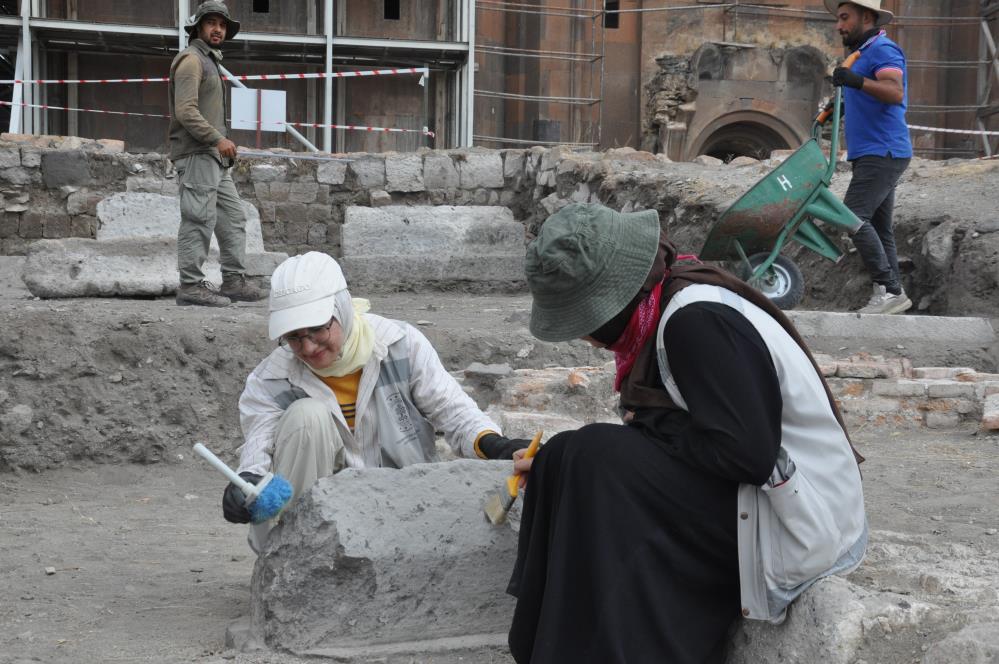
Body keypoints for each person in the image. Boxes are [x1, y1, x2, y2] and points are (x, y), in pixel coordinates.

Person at [507, 203, 867, 663]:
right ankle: (557, 645)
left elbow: (750, 455)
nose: (585, 338)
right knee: (566, 455)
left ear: (613, 303)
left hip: (796, 519)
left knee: (594, 455)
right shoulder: (666, 304)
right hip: (758, 497)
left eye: (583, 322)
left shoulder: (696, 322)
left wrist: (645, 425)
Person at [222, 251, 528, 552]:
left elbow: (454, 412)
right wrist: (246, 487)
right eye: (294, 337)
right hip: (317, 523)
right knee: (307, 416)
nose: (308, 346)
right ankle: (295, 553)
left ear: (341, 309)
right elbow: (258, 451)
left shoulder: (400, 345)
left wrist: (495, 445)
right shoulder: (271, 379)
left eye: (317, 329)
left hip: (402, 508)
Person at [168, 1, 266, 307]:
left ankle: (234, 282)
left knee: (233, 217)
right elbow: (186, 111)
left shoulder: (210, 61)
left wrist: (219, 144)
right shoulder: (191, 60)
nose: (218, 29)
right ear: (198, 27)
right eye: (211, 23)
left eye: (222, 25)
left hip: (212, 157)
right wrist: (217, 138)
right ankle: (190, 286)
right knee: (198, 218)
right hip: (197, 154)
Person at [827, 0, 913, 314]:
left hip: (883, 150)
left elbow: (894, 91)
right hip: (874, 152)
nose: (839, 26)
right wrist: (833, 107)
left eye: (845, 18)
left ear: (867, 17)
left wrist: (856, 81)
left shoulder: (883, 50)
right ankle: (893, 294)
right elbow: (865, 95)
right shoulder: (863, 53)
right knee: (880, 227)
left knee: (852, 214)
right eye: (839, 19)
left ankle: (889, 289)